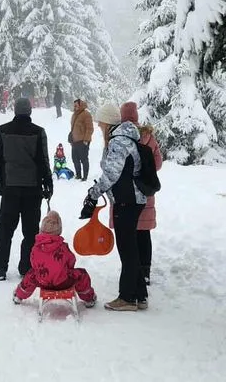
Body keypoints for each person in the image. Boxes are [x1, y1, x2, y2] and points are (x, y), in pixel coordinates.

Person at [80, 102, 146, 311]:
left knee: (127, 250)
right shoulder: (126, 138)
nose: (100, 129)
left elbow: (111, 174)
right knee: (131, 248)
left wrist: (93, 195)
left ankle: (127, 298)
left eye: (101, 125)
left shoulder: (118, 142)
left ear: (108, 123)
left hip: (127, 201)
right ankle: (140, 295)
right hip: (131, 199)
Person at [0, 97, 52, 281]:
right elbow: (43, 161)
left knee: (4, 230)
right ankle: (27, 268)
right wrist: (48, 183)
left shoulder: (3, 130)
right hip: (33, 189)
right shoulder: (39, 132)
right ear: (29, 111)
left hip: (10, 188)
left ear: (15, 110)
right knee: (30, 231)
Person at [12, 211, 97, 307]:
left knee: (31, 275)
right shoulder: (62, 247)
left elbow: (33, 263)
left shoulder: (36, 247)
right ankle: (89, 298)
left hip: (42, 281)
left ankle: (19, 295)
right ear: (59, 230)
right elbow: (71, 261)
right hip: (63, 282)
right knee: (82, 274)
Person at [130, 110, 165, 287]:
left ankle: (133, 270)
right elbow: (158, 163)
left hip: (129, 192)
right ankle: (145, 272)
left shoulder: (124, 135)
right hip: (146, 189)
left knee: (131, 234)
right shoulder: (149, 137)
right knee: (144, 234)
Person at [68, 99, 94, 181]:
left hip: (83, 141)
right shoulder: (74, 115)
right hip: (74, 141)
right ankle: (78, 175)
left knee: (84, 159)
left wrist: (86, 139)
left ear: (80, 105)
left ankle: (85, 176)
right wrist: (71, 139)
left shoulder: (86, 114)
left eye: (76, 105)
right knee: (75, 158)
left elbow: (90, 128)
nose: (74, 107)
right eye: (74, 105)